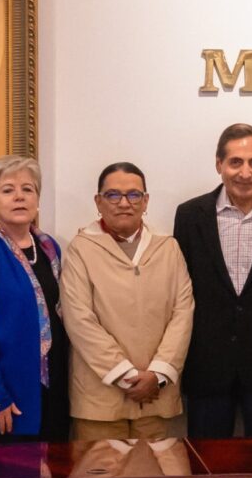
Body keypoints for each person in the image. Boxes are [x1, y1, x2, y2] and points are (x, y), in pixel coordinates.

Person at [172, 124, 252, 439]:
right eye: (235, 162)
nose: (245, 172)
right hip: (207, 366)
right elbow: (179, 291)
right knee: (206, 469)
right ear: (219, 164)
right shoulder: (190, 216)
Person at [60, 163, 194, 441]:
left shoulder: (168, 247)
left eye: (133, 195)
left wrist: (157, 374)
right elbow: (79, 320)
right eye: (113, 195)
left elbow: (183, 313)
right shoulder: (81, 249)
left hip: (158, 395)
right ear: (98, 201)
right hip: (100, 400)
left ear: (146, 202)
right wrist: (126, 376)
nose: (124, 203)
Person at [0, 156, 70, 444]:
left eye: (27, 189)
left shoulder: (49, 248)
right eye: (8, 190)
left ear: (38, 199)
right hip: (3, 395)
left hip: (47, 389)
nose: (19, 196)